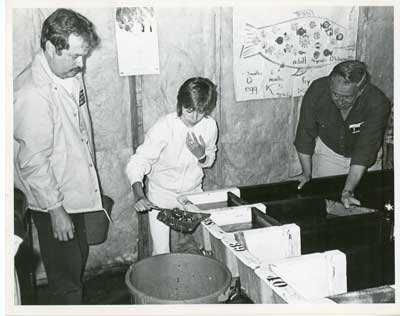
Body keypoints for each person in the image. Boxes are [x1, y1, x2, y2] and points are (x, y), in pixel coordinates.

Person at [14, 8, 101, 304]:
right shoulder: (33, 93)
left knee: (77, 262)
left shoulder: (67, 72)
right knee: (66, 280)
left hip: (71, 188)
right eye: (75, 56)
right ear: (52, 48)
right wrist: (55, 211)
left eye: (84, 55)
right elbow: (33, 161)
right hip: (53, 200)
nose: (81, 64)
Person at [126, 77, 218, 255]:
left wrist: (201, 155)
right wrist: (139, 194)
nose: (194, 117)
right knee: (161, 252)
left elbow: (210, 160)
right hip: (162, 194)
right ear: (181, 103)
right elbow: (139, 161)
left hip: (193, 192)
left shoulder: (209, 126)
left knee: (209, 244)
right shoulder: (165, 127)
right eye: (189, 110)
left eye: (201, 112)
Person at [293, 60, 391, 208]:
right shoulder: (317, 90)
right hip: (329, 153)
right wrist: (306, 173)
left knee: (366, 206)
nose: (339, 101)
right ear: (330, 84)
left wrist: (348, 190)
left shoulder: (378, 102)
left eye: (347, 97)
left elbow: (365, 151)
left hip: (366, 162)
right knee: (327, 205)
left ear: (361, 91)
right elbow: (304, 135)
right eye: (335, 94)